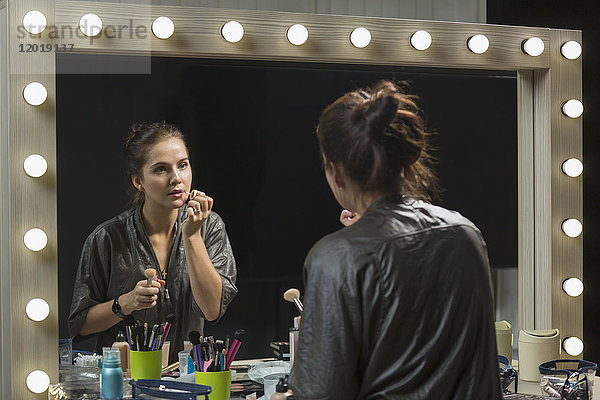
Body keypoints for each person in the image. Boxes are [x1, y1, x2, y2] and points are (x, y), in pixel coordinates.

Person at [289, 81, 502, 399]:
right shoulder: (465, 234)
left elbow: (320, 391)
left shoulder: (336, 257)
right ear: (405, 162)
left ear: (336, 172)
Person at [68, 122, 237, 363]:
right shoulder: (107, 238)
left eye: (183, 165)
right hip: (124, 379)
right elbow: (80, 324)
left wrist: (191, 236)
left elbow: (211, 310)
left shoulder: (209, 226)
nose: (176, 178)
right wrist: (126, 303)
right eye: (161, 169)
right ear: (138, 181)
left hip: (187, 377)